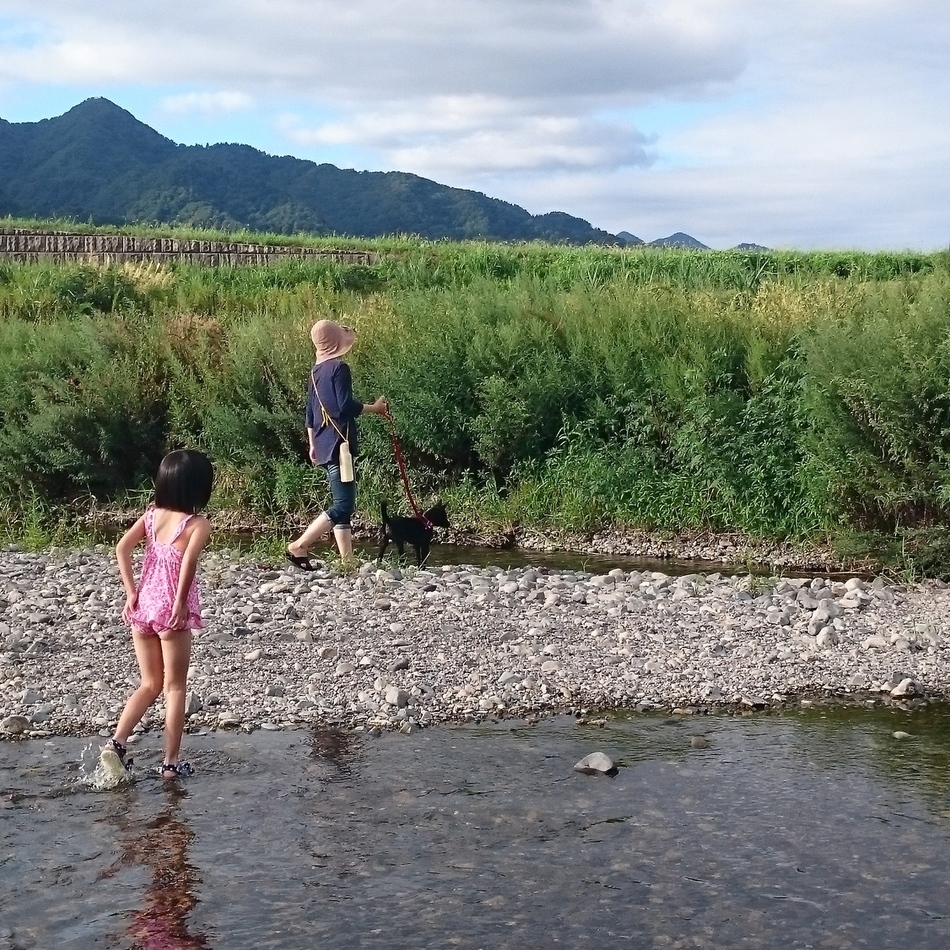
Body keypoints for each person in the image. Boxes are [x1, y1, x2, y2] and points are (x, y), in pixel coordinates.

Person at [100, 449, 214, 781]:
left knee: (149, 683)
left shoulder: (151, 516)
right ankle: (170, 762)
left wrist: (131, 591)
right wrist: (180, 603)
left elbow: (122, 547)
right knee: (175, 688)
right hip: (169, 612)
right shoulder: (196, 525)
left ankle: (117, 743)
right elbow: (188, 565)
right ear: (198, 488)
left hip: (144, 607)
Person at [286, 318, 388, 569]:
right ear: (337, 342)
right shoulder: (339, 369)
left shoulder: (314, 372)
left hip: (322, 443)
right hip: (339, 444)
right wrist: (374, 408)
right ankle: (300, 545)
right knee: (344, 504)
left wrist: (312, 444)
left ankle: (347, 561)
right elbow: (343, 407)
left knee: (341, 501)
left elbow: (310, 412)